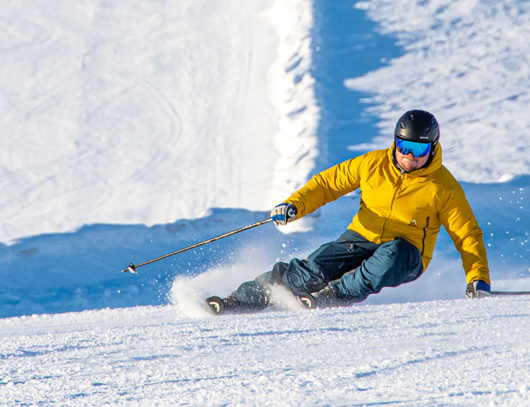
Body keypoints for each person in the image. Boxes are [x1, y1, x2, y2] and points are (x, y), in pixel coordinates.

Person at [206, 109, 491, 315]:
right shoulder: (372, 164)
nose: (410, 156)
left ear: (433, 148)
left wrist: (477, 278)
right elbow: (328, 184)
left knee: (389, 256)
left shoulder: (444, 187)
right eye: (404, 146)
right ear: (395, 142)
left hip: (407, 253)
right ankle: (238, 301)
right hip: (360, 237)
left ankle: (333, 295)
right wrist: (295, 204)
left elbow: (467, 235)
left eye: (419, 149)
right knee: (311, 271)